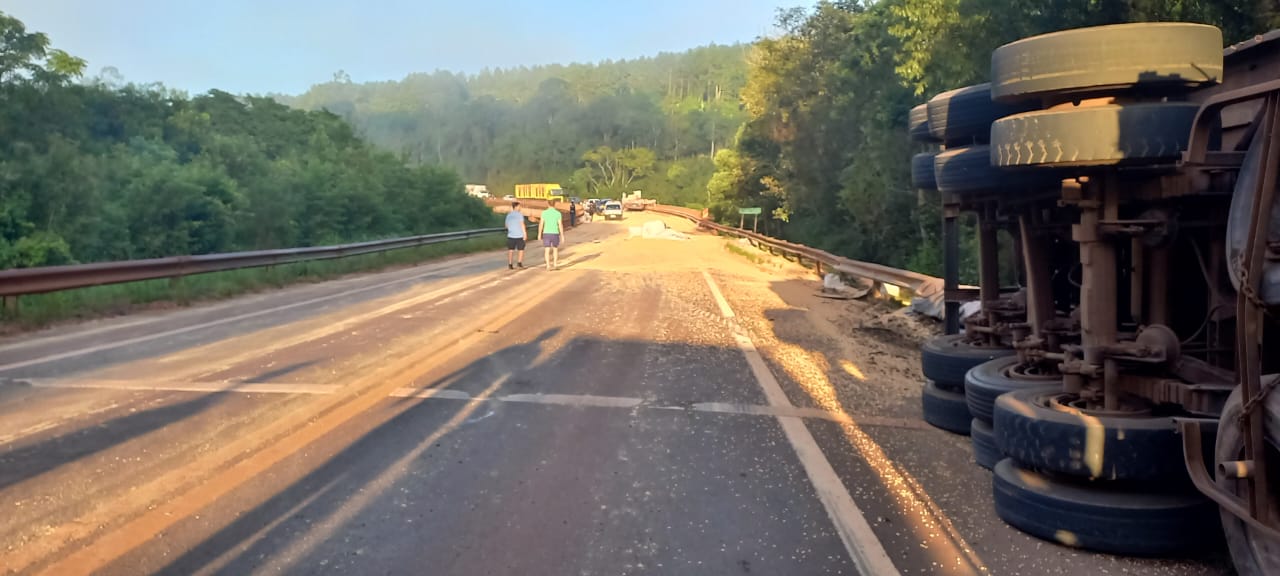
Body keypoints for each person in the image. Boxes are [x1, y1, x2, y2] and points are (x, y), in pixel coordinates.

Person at [539, 199, 565, 271]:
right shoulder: (558, 213)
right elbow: (560, 225)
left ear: (548, 204)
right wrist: (562, 235)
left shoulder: (544, 213)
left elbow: (541, 223)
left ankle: (548, 265)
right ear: (554, 204)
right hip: (555, 232)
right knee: (555, 249)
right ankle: (555, 264)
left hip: (546, 233)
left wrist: (539, 234)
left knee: (547, 249)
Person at [504, 201, 526, 270]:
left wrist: (511, 228)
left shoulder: (508, 215)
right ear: (516, 207)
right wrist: (525, 233)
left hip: (511, 235)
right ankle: (519, 263)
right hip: (519, 235)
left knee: (511, 250)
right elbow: (522, 224)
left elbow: (506, 226)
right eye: (519, 206)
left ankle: (510, 264)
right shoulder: (520, 215)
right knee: (521, 249)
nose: (520, 208)